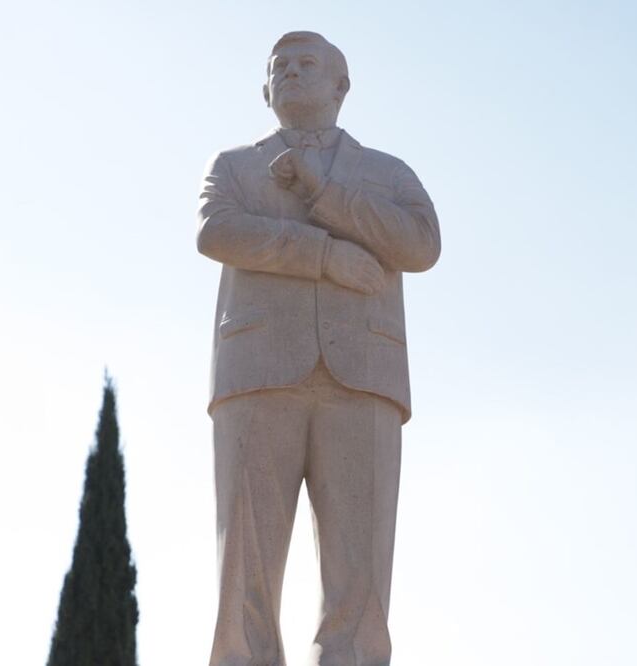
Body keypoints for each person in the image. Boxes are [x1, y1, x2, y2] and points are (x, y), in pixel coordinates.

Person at [197, 30, 441, 666]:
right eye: (280, 66)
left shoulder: (386, 173)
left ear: (342, 85)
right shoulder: (233, 166)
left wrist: (327, 197)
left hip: (363, 378)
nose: (292, 73)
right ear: (264, 89)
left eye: (309, 64)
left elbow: (421, 246)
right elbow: (216, 230)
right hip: (256, 373)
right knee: (244, 570)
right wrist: (324, 256)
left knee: (360, 581)